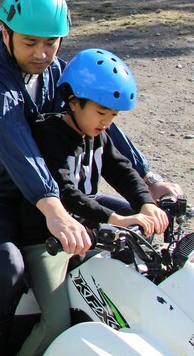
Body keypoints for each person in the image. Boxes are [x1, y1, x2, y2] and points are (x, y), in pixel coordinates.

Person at [0, 0, 180, 356]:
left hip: (42, 193)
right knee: (8, 269)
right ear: (4, 31)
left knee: (131, 228)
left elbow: (99, 122)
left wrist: (148, 180)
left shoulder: (55, 71)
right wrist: (54, 209)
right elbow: (17, 146)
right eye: (30, 42)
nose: (42, 53)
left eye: (51, 42)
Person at [20, 48, 169, 355]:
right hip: (47, 240)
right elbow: (67, 193)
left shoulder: (95, 133)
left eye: (113, 116)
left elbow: (122, 169)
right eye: (102, 113)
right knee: (55, 323)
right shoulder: (49, 136)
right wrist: (113, 220)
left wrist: (145, 203)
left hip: (86, 233)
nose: (107, 122)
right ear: (73, 102)